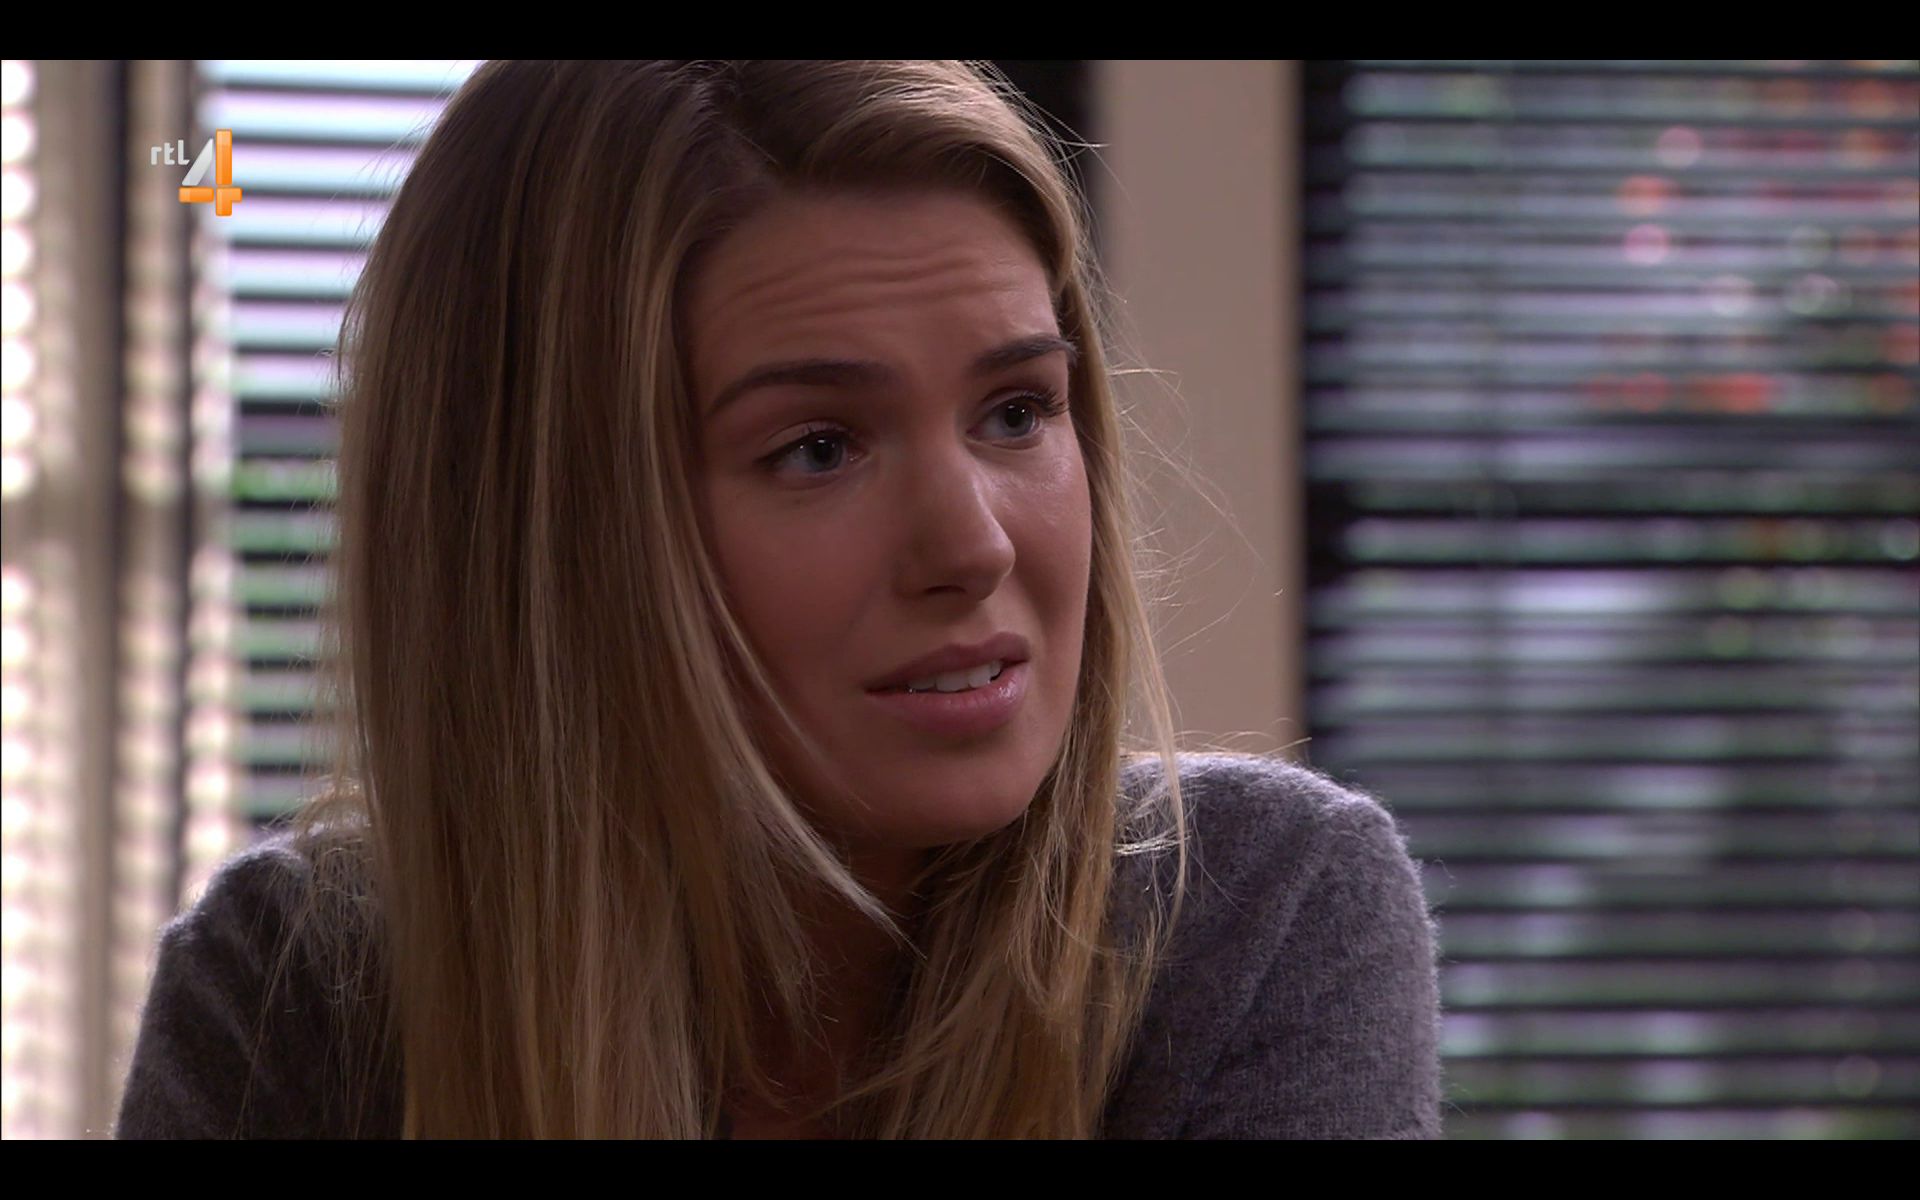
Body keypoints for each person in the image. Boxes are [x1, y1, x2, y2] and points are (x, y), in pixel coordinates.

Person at [113, 60, 1442, 1139]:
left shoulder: (1254, 919)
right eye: (817, 448)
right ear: (554, 537)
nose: (974, 545)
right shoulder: (294, 991)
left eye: (1016, 411)